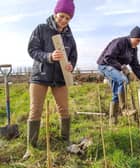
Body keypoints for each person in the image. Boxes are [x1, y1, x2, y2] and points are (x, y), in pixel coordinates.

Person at [23, 0, 77, 159]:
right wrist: (49, 56)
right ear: (55, 14)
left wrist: (71, 65)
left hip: (60, 78)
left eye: (68, 18)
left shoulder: (69, 35)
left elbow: (73, 55)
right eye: (62, 16)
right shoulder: (41, 29)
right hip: (40, 76)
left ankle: (65, 141)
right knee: (35, 110)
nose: (64, 20)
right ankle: (31, 147)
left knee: (64, 109)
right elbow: (32, 50)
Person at [97, 26, 140, 124]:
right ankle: (124, 109)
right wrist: (121, 67)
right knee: (123, 80)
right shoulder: (120, 42)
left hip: (116, 69)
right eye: (137, 40)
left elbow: (135, 65)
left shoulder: (134, 49)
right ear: (131, 37)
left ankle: (113, 122)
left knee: (117, 93)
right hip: (105, 65)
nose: (138, 43)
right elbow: (108, 57)